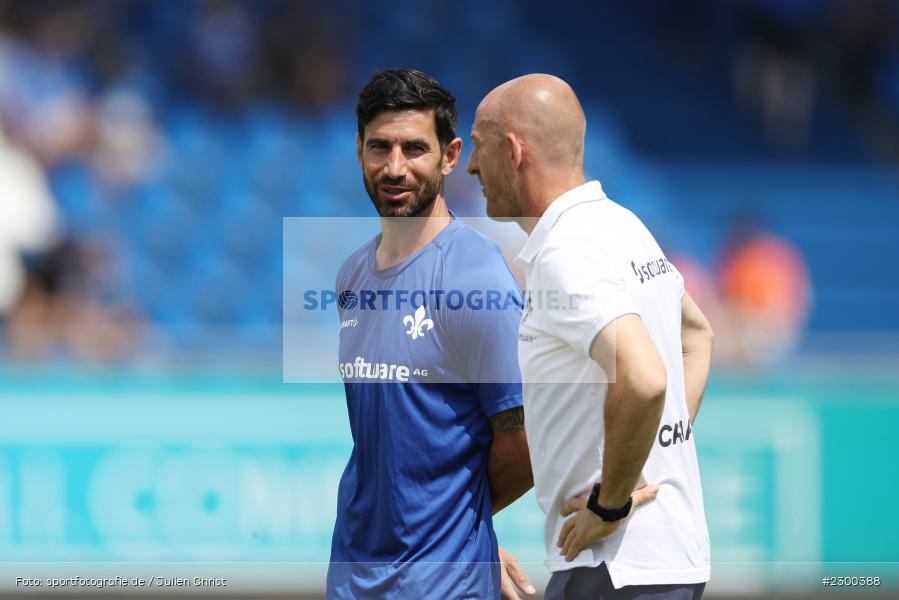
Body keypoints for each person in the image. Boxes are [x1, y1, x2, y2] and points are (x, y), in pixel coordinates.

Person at [468, 74, 713, 599]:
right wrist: (656, 443)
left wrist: (611, 502)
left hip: (614, 564)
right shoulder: (622, 225)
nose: (470, 166)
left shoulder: (566, 254)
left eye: (480, 146)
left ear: (512, 151)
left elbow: (645, 379)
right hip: (658, 559)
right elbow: (697, 333)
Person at [326, 69, 535, 600]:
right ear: (359, 151)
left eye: (414, 149)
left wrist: (459, 530)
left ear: (449, 155)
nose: (395, 168)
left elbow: (526, 443)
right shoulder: (352, 275)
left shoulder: (475, 277)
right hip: (352, 576)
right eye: (380, 147)